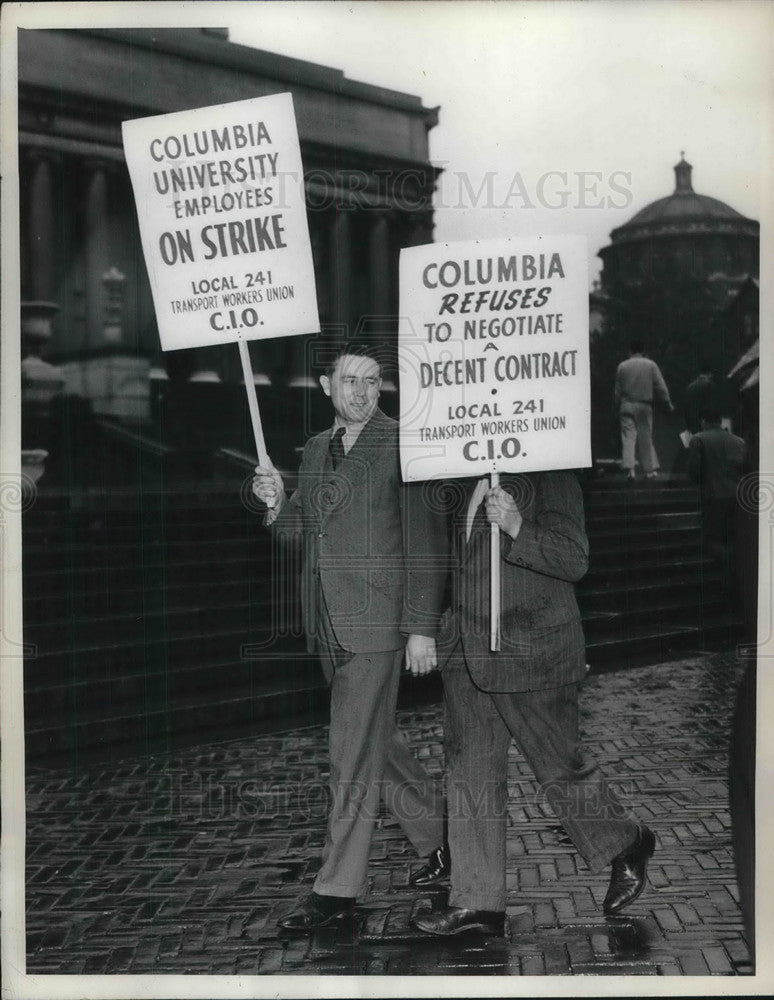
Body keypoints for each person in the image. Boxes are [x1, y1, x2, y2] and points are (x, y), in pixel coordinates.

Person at [251, 344, 449, 933]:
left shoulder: (402, 444)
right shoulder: (315, 450)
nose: (363, 392)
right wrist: (276, 503)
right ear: (325, 385)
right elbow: (299, 538)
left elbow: (425, 540)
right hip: (327, 626)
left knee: (349, 759)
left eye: (373, 382)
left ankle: (336, 892)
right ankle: (442, 842)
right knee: (375, 746)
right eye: (351, 381)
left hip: (377, 625)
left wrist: (419, 627)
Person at [411, 472, 655, 937]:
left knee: (557, 765)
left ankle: (627, 841)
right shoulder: (459, 474)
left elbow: (574, 557)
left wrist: (519, 526)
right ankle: (477, 900)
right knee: (469, 772)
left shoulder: (551, 472)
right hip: (468, 647)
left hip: (533, 647)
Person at [686, 407, 748, 584]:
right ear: (720, 421)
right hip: (739, 498)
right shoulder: (739, 442)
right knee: (733, 538)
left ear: (704, 421)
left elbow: (694, 471)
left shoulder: (698, 439)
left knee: (712, 539)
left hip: (713, 496)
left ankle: (727, 572)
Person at [614, 340, 674, 480]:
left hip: (626, 405)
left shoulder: (622, 366)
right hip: (644, 405)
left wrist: (615, 407)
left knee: (628, 437)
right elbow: (660, 386)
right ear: (643, 350)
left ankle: (630, 469)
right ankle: (650, 470)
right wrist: (668, 403)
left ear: (630, 350)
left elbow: (617, 391)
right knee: (645, 437)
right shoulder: (650, 365)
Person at [683, 361, 719, 436]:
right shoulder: (710, 385)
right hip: (705, 424)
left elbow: (686, 407)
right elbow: (711, 406)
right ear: (710, 373)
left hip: (692, 423)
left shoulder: (690, 386)